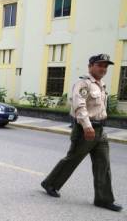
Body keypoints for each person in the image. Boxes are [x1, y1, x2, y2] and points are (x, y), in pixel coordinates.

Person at [41, 54, 123, 212]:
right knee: (72, 159)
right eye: (100, 65)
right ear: (90, 66)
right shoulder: (83, 84)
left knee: (103, 164)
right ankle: (50, 183)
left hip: (100, 131)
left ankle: (103, 199)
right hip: (86, 129)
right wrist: (87, 126)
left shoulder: (101, 85)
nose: (103, 69)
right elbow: (79, 106)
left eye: (106, 66)